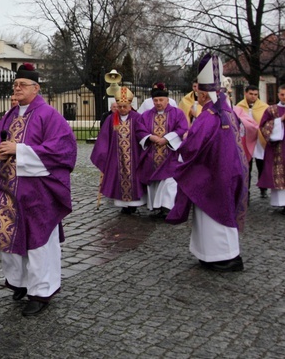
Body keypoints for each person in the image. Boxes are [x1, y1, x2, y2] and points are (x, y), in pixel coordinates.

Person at [0, 63, 76, 317]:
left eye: (22, 85)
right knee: (10, 240)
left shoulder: (49, 115)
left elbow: (63, 149)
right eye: (15, 85)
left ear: (36, 88)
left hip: (38, 193)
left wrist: (19, 151)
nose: (17, 88)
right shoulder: (9, 115)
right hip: (8, 191)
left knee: (39, 244)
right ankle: (20, 283)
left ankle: (41, 292)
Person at [166, 53, 247, 272]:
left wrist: (180, 145)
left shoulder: (209, 116)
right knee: (220, 213)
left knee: (215, 216)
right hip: (225, 172)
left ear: (205, 93)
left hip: (211, 176)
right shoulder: (226, 112)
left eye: (199, 93)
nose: (197, 97)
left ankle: (225, 258)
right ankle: (215, 255)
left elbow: (192, 146)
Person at [90, 86, 148, 214]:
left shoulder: (137, 117)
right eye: (120, 106)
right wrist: (102, 154)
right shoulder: (112, 118)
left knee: (134, 178)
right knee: (118, 177)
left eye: (125, 106)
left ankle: (134, 204)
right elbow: (104, 137)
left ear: (130, 105)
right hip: (116, 156)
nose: (122, 109)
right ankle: (123, 205)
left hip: (134, 155)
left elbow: (143, 134)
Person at [137, 82, 188, 215]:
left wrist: (166, 139)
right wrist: (151, 137)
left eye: (161, 100)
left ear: (167, 100)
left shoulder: (177, 113)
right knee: (155, 182)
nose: (158, 103)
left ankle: (167, 206)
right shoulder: (146, 115)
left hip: (170, 154)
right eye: (155, 100)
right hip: (151, 153)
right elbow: (140, 130)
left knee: (169, 180)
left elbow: (182, 128)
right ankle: (156, 205)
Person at [236, 85, 269, 198]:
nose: (253, 96)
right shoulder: (239, 107)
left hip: (260, 141)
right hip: (246, 140)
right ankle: (246, 191)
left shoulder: (264, 107)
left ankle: (263, 187)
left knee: (262, 165)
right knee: (246, 166)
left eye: (255, 94)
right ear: (245, 93)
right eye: (251, 94)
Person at [257, 84, 285, 213]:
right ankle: (282, 204)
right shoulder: (272, 110)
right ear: (278, 95)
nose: (284, 97)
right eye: (282, 94)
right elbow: (263, 126)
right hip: (278, 148)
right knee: (279, 174)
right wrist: (280, 120)